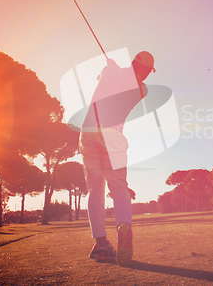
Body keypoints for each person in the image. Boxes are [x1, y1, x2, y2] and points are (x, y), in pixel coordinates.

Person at [79, 51, 155, 266]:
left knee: (95, 189)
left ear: (132, 62)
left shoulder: (109, 71)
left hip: (89, 131)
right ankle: (123, 224)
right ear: (147, 71)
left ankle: (101, 244)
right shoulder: (142, 89)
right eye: (149, 71)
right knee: (119, 187)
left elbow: (101, 78)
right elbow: (126, 81)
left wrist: (111, 66)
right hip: (113, 136)